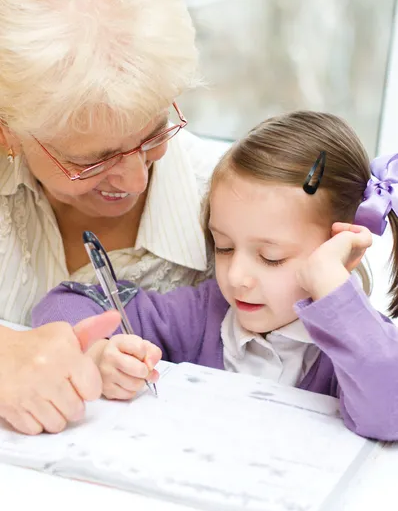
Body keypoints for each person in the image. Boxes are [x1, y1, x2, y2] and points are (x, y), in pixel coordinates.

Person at [34, 111, 398, 441]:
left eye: (271, 258)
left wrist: (332, 286)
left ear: (341, 250)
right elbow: (66, 302)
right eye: (223, 247)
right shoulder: (202, 315)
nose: (237, 276)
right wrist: (98, 352)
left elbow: (389, 414)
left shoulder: (363, 344)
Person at [0, 0, 221, 434]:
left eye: (153, 134)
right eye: (92, 159)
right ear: (7, 133)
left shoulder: (239, 208)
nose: (137, 180)